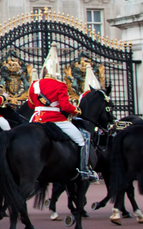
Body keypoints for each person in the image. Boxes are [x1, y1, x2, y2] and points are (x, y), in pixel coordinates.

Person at [27, 45, 98, 182]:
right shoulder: (60, 85)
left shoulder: (35, 84)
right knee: (82, 140)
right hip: (55, 119)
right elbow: (65, 106)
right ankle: (84, 170)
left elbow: (31, 104)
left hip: (36, 118)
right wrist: (76, 110)